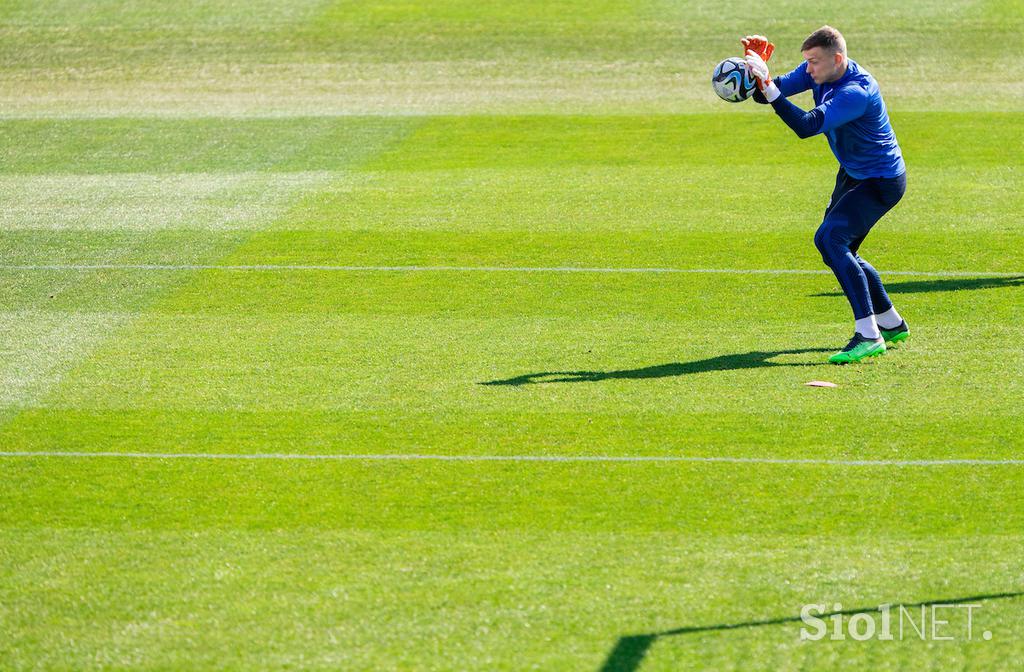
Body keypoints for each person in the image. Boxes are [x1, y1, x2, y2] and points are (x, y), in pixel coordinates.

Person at [741, 27, 909, 364]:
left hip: (881, 181)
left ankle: (869, 334)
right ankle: (891, 323)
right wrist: (755, 70)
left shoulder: (856, 91)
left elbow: (806, 125)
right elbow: (768, 95)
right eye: (807, 62)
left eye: (814, 62)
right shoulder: (816, 70)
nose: (809, 69)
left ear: (838, 58)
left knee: (831, 240)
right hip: (853, 173)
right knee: (836, 248)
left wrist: (769, 87)